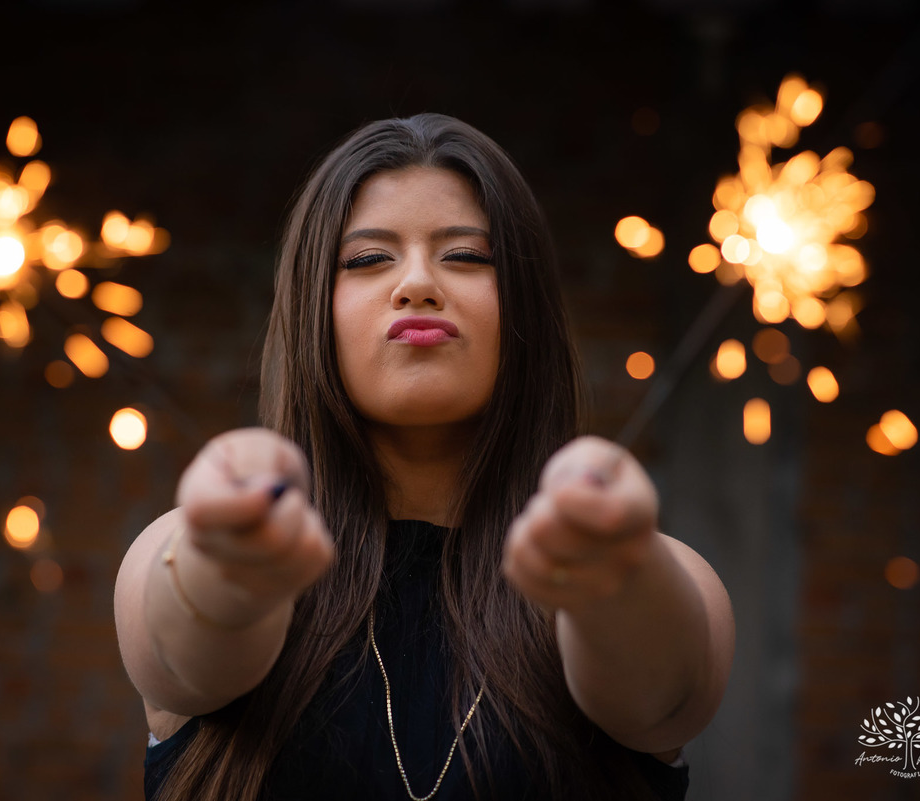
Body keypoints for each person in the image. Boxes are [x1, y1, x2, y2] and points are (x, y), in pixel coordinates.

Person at [113, 113, 734, 801]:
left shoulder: (663, 574)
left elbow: (662, 691)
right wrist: (228, 561)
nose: (416, 282)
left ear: (525, 304)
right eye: (368, 259)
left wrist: (616, 575)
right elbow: (186, 656)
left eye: (466, 255)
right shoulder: (173, 549)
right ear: (313, 307)